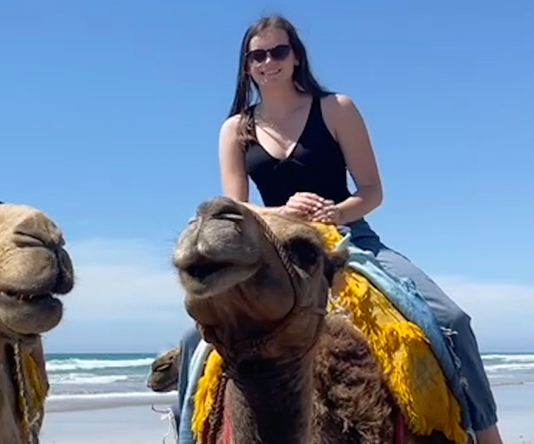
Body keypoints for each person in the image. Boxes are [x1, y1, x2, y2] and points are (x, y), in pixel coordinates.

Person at [213, 15, 503, 444]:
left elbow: (371, 192)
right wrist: (285, 212)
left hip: (349, 239)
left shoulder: (336, 109)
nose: (268, 61)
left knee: (451, 320)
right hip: (274, 248)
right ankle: (190, 432)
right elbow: (237, 209)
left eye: (279, 51)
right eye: (258, 55)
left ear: (296, 57)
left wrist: (333, 213)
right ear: (247, 65)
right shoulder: (237, 129)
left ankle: (487, 432)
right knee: (199, 344)